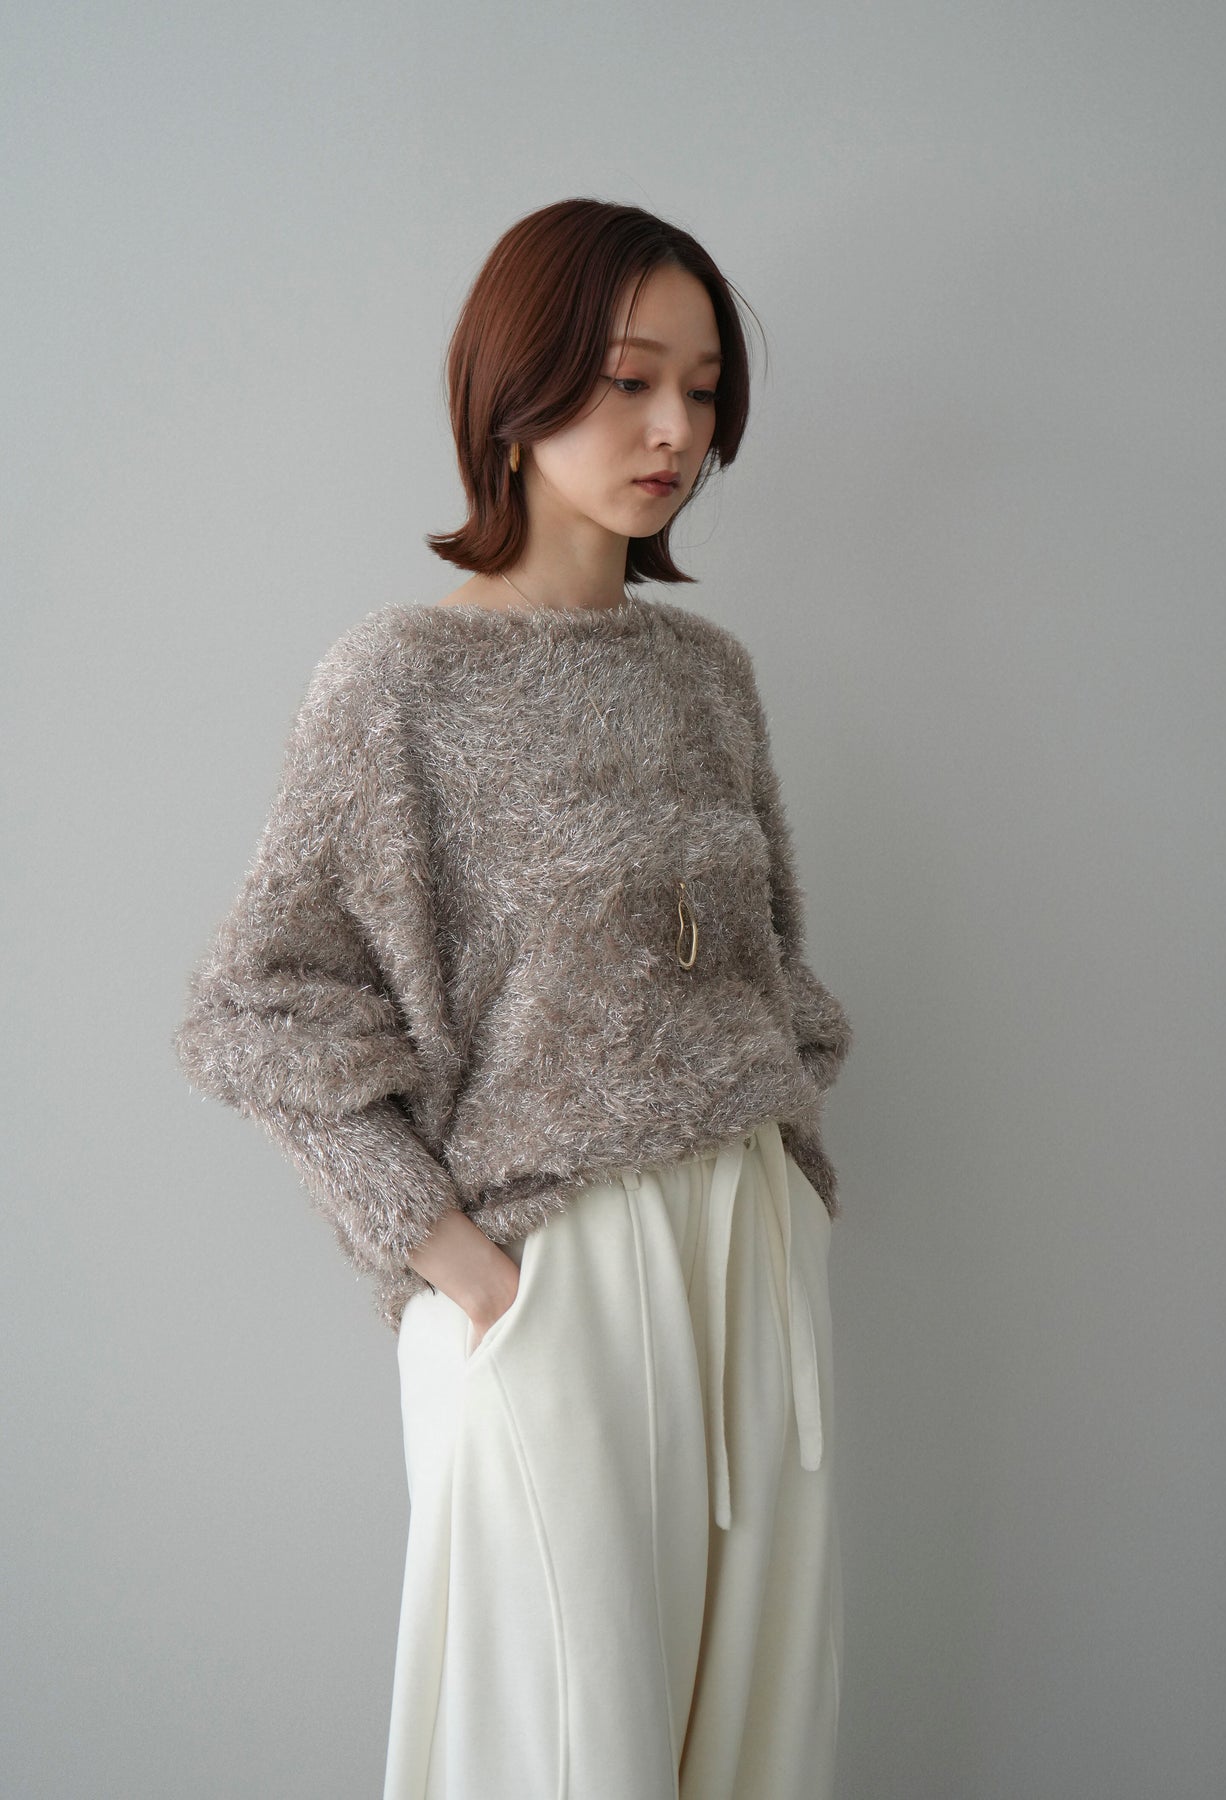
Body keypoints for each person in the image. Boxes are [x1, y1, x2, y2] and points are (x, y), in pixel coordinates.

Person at [172, 197, 854, 1800]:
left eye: (702, 391)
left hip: (749, 1250)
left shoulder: (707, 676)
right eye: (628, 380)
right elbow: (254, 1007)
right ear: (516, 388)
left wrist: (787, 1201)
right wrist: (449, 1258)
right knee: (559, 1750)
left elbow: (775, 967)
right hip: (555, 1268)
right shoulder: (398, 679)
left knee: (757, 1750)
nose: (674, 429)